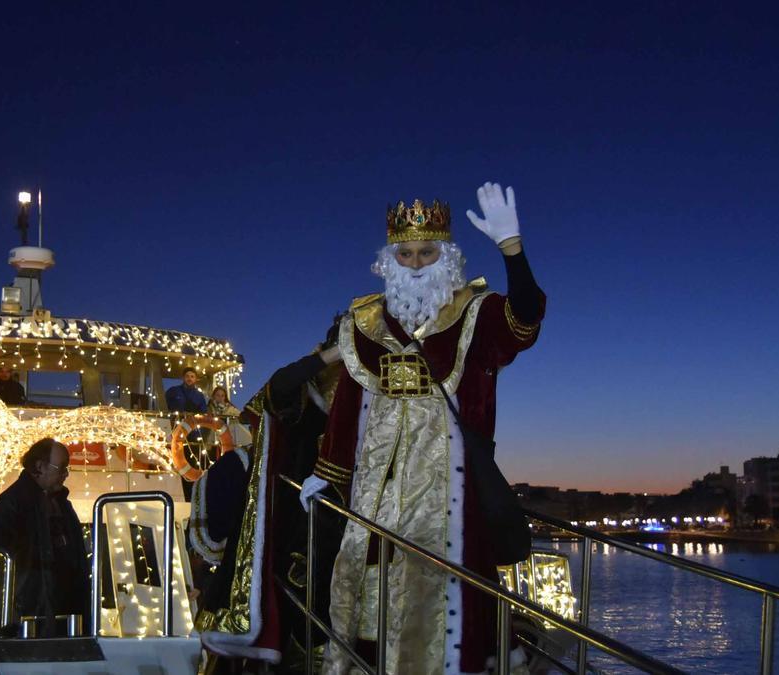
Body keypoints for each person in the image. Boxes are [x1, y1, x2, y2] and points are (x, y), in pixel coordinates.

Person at [303, 183, 545, 675]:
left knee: (445, 585)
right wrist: (327, 472)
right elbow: (349, 404)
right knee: (367, 579)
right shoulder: (363, 322)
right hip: (377, 491)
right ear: (390, 258)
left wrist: (511, 250)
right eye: (406, 253)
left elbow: (526, 318)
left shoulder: (475, 315)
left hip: (448, 491)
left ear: (446, 255)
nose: (415, 263)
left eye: (426, 252)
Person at [190, 320, 345, 671]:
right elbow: (278, 388)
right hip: (294, 521)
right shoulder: (305, 391)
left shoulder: (369, 395)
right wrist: (330, 356)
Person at [0, 438, 90, 636]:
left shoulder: (61, 503)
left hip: (61, 604)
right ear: (40, 466)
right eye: (62, 467)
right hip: (36, 607)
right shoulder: (17, 499)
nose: (65, 474)